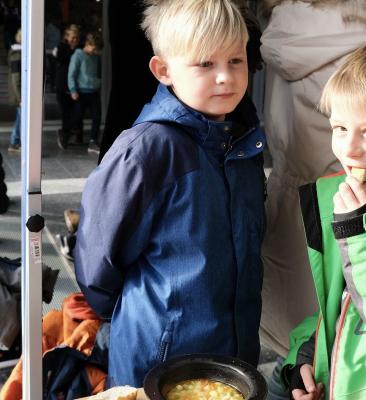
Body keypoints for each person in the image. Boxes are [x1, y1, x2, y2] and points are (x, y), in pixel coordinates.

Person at [74, 0, 266, 388]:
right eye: (205, 64)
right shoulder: (147, 150)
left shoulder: (244, 142)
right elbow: (98, 263)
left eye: (235, 60)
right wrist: (148, 319)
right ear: (164, 70)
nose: (225, 77)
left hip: (233, 359)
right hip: (156, 361)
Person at [259, 1, 366, 398]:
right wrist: (307, 356)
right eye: (338, 127)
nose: (349, 149)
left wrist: (357, 235)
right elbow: (336, 305)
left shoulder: (357, 216)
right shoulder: (341, 199)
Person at [67, 32, 103, 154]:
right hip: (81, 93)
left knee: (97, 117)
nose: (95, 51)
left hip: (93, 91)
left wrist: (98, 83)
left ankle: (93, 142)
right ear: (88, 44)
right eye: (94, 48)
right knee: (77, 118)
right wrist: (73, 90)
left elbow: (96, 73)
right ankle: (65, 134)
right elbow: (71, 74)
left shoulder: (95, 57)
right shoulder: (77, 56)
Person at [54, 24, 81, 148]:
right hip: (62, 84)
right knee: (66, 112)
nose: (74, 40)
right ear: (67, 37)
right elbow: (62, 59)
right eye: (72, 37)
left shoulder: (79, 48)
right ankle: (64, 135)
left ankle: (72, 133)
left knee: (75, 112)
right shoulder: (62, 47)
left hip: (75, 85)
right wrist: (72, 48)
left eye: (76, 37)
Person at [7, 28, 21, 153]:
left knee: (20, 118)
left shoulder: (18, 52)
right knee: (22, 118)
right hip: (20, 94)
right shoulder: (17, 54)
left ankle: (14, 141)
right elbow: (15, 78)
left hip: (20, 94)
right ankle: (15, 142)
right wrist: (20, 97)